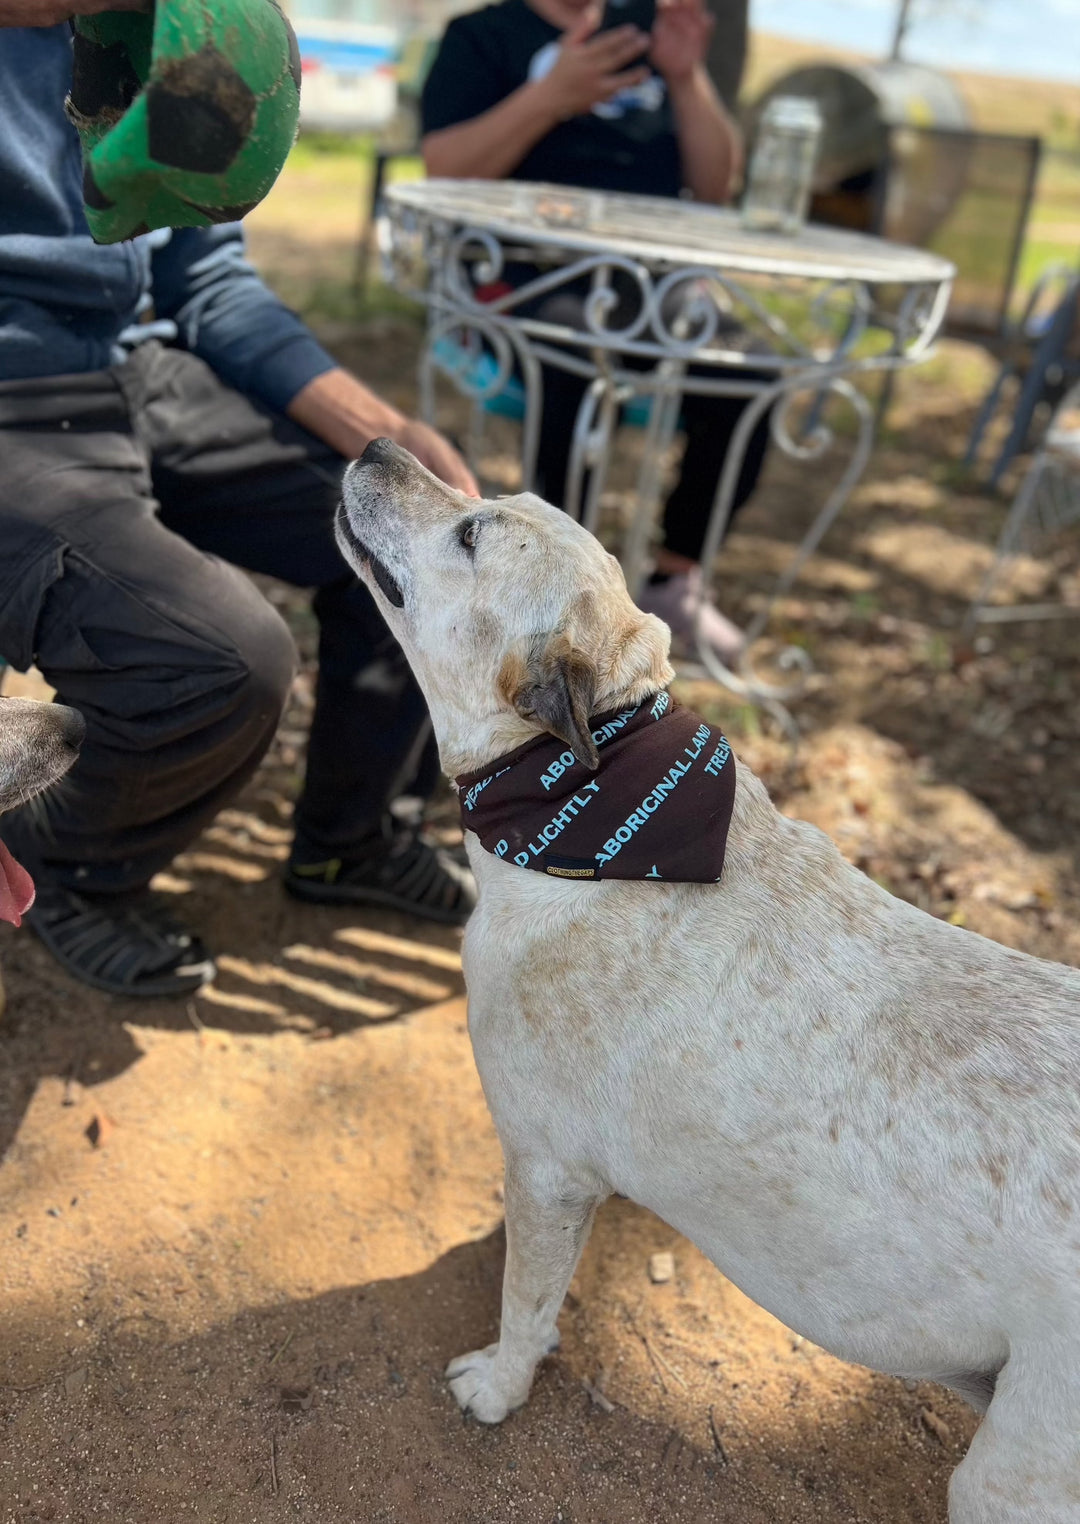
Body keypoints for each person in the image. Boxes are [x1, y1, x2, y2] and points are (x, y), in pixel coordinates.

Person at [0, 10, 479, 1000]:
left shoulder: (139, 33)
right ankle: (69, 867)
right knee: (225, 659)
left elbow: (210, 282)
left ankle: (352, 843)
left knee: (415, 542)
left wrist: (383, 438)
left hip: (130, 368)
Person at [420, 0, 772, 665]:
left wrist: (687, 76)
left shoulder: (650, 36)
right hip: (522, 277)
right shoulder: (482, 37)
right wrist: (549, 97)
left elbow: (715, 183)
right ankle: (561, 593)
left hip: (650, 287)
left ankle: (675, 580)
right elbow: (444, 168)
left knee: (749, 371)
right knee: (574, 363)